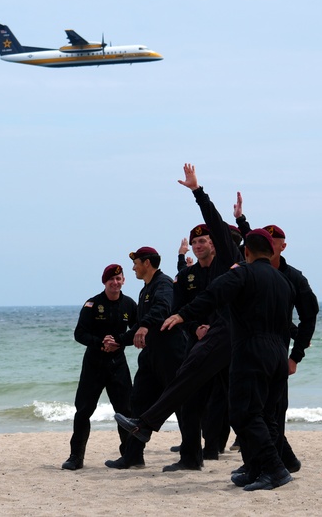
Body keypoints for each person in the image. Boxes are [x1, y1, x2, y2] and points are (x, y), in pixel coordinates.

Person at [113, 164, 241, 471]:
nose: (199, 244)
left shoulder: (229, 262)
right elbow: (184, 305)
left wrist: (198, 192)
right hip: (203, 340)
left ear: (216, 243)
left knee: (238, 403)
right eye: (195, 242)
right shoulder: (188, 276)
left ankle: (232, 451)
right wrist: (193, 324)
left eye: (204, 240)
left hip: (231, 338)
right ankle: (184, 452)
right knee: (189, 391)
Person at [160, 229, 296, 491]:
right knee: (266, 415)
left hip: (251, 350)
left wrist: (182, 315)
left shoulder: (243, 273)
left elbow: (212, 295)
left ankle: (275, 469)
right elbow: (289, 321)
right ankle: (256, 469)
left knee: (243, 414)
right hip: (279, 353)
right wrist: (297, 348)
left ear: (246, 252)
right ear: (271, 252)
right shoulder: (283, 281)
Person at [235, 196, 319, 475]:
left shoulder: (294, 278)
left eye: (275, 242)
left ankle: (274, 465)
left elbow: (309, 317)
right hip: (248, 351)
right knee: (247, 412)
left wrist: (295, 357)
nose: (270, 246)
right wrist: (240, 220)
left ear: (282, 246)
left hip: (276, 355)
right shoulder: (247, 273)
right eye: (266, 242)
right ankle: (259, 463)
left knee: (273, 412)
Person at [102, 247, 187, 469]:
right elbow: (140, 327)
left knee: (180, 403)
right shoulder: (145, 289)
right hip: (151, 355)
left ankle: (191, 456)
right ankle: (133, 456)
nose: (133, 268)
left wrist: (145, 326)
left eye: (136, 263)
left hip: (170, 353)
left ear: (147, 263)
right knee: (137, 401)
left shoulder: (163, 283)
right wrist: (120, 341)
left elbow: (162, 308)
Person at [62, 264, 138, 471]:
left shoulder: (130, 305)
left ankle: (129, 456)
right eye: (111, 280)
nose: (115, 283)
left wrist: (120, 341)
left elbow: (138, 331)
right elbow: (79, 334)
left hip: (118, 365)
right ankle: (76, 457)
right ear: (104, 282)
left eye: (119, 279)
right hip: (94, 364)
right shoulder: (92, 304)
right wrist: (100, 342)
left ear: (123, 281)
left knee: (125, 411)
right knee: (83, 411)